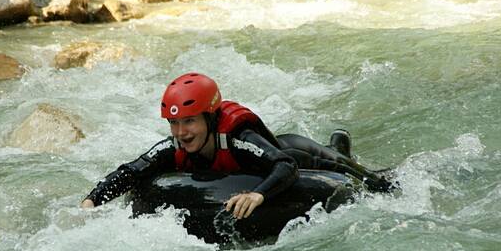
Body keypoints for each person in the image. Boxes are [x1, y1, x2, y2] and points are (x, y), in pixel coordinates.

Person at [82, 73, 393, 219]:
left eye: (190, 121)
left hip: (298, 153)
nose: (181, 132)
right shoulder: (174, 146)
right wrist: (91, 202)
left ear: (210, 117)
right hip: (273, 160)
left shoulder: (239, 139)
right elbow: (132, 170)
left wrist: (258, 194)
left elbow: (285, 166)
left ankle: (339, 144)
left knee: (368, 179)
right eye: (174, 124)